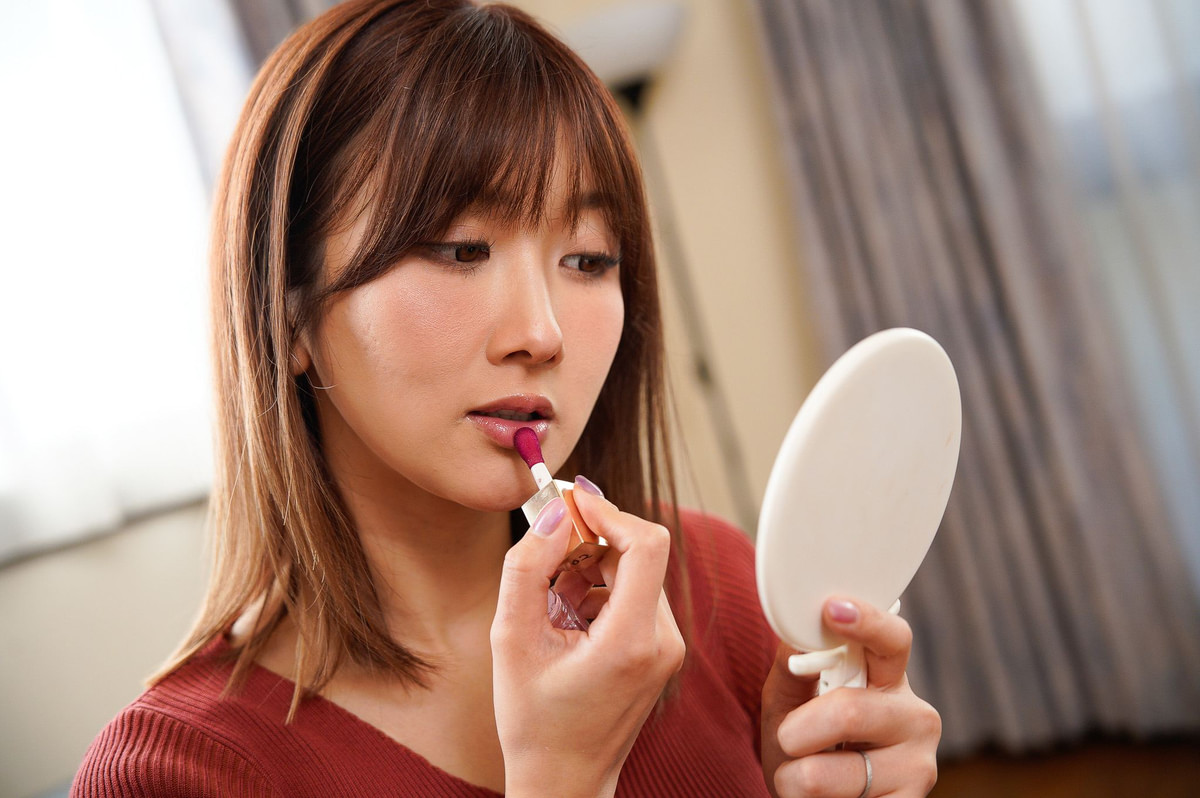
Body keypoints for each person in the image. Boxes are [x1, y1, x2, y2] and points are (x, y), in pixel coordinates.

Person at [73, 1, 940, 796]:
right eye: (460, 249)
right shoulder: (174, 773)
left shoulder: (712, 584)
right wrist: (563, 780)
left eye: (588, 259)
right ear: (289, 311)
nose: (542, 332)